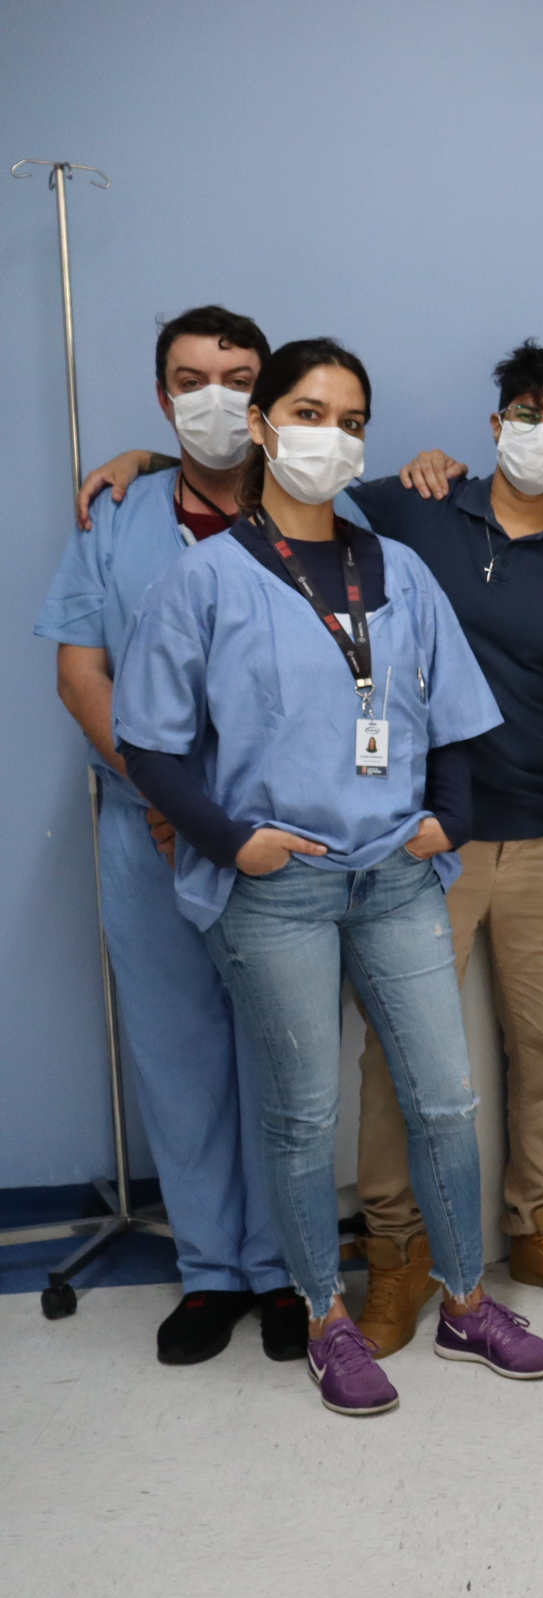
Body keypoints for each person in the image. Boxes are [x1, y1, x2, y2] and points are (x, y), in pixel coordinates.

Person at [110, 338, 543, 1415]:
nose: (333, 435)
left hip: (398, 874)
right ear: (264, 423)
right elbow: (152, 744)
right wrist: (235, 842)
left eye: (352, 419)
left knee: (446, 1097)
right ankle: (325, 1316)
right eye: (310, 410)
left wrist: (444, 818)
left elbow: (451, 716)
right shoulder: (207, 577)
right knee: (304, 1113)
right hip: (277, 885)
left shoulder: (393, 568)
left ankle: (465, 1301)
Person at [39, 306, 317, 1366]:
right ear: (163, 398)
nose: (214, 396)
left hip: (269, 829)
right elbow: (80, 673)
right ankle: (210, 1272)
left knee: (282, 1055)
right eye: (190, 379)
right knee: (180, 1050)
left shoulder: (306, 513)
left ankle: (288, 1267)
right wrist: (160, 791)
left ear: (265, 391)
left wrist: (216, 809)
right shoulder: (117, 513)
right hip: (143, 829)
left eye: (237, 376)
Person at [338, 342, 543, 1350]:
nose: (539, 433)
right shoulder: (421, 506)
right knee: (398, 1056)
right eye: (524, 412)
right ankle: (396, 1252)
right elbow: (282, 477)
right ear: (496, 419)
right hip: (425, 838)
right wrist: (137, 466)